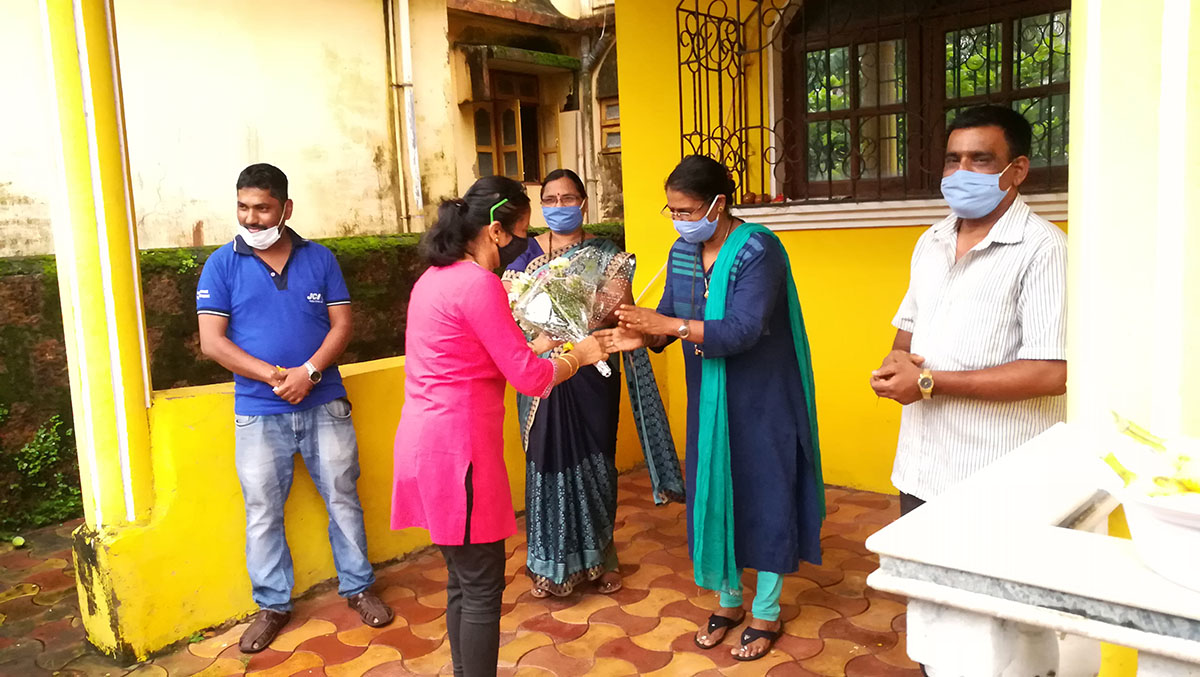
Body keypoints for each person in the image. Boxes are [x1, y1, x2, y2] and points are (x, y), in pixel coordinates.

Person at [597, 155, 825, 662]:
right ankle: (728, 599)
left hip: (762, 396)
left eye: (688, 209)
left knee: (765, 494)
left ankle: (766, 609)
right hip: (710, 396)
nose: (680, 219)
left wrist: (664, 325)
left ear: (720, 203)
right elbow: (672, 317)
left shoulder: (758, 251)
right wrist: (635, 332)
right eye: (673, 210)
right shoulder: (683, 251)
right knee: (714, 492)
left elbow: (743, 330)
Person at [390, 175, 608, 677]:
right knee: (483, 588)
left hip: (425, 443)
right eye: (519, 232)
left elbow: (478, 356)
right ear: (494, 229)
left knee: (462, 582)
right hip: (459, 452)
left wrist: (541, 346)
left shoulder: (434, 278)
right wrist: (580, 354)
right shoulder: (477, 282)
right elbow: (531, 380)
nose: (520, 245)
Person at [197, 163, 393, 654]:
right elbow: (212, 343)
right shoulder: (221, 264)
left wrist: (309, 374)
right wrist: (274, 377)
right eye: (243, 207)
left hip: (324, 401)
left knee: (343, 496)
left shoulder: (320, 258)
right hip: (259, 410)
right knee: (263, 509)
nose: (252, 218)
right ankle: (272, 606)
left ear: (286, 208)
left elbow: (341, 326)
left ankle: (359, 587)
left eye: (263, 208)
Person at [870, 104, 1067, 518]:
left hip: (1000, 480)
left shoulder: (1043, 249)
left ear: (1017, 170)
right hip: (921, 470)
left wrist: (925, 382)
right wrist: (896, 366)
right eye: (952, 160)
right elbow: (907, 333)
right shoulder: (932, 241)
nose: (962, 172)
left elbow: (1052, 373)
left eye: (980, 159)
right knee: (919, 583)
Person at [503, 169, 683, 599]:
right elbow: (511, 312)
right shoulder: (522, 256)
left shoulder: (607, 254)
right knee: (546, 462)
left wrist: (566, 322)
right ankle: (548, 566)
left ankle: (599, 560)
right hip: (541, 373)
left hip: (593, 369)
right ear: (540, 203)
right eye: (551, 199)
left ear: (584, 202)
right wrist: (547, 332)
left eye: (568, 198)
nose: (559, 206)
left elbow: (613, 307)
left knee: (595, 463)